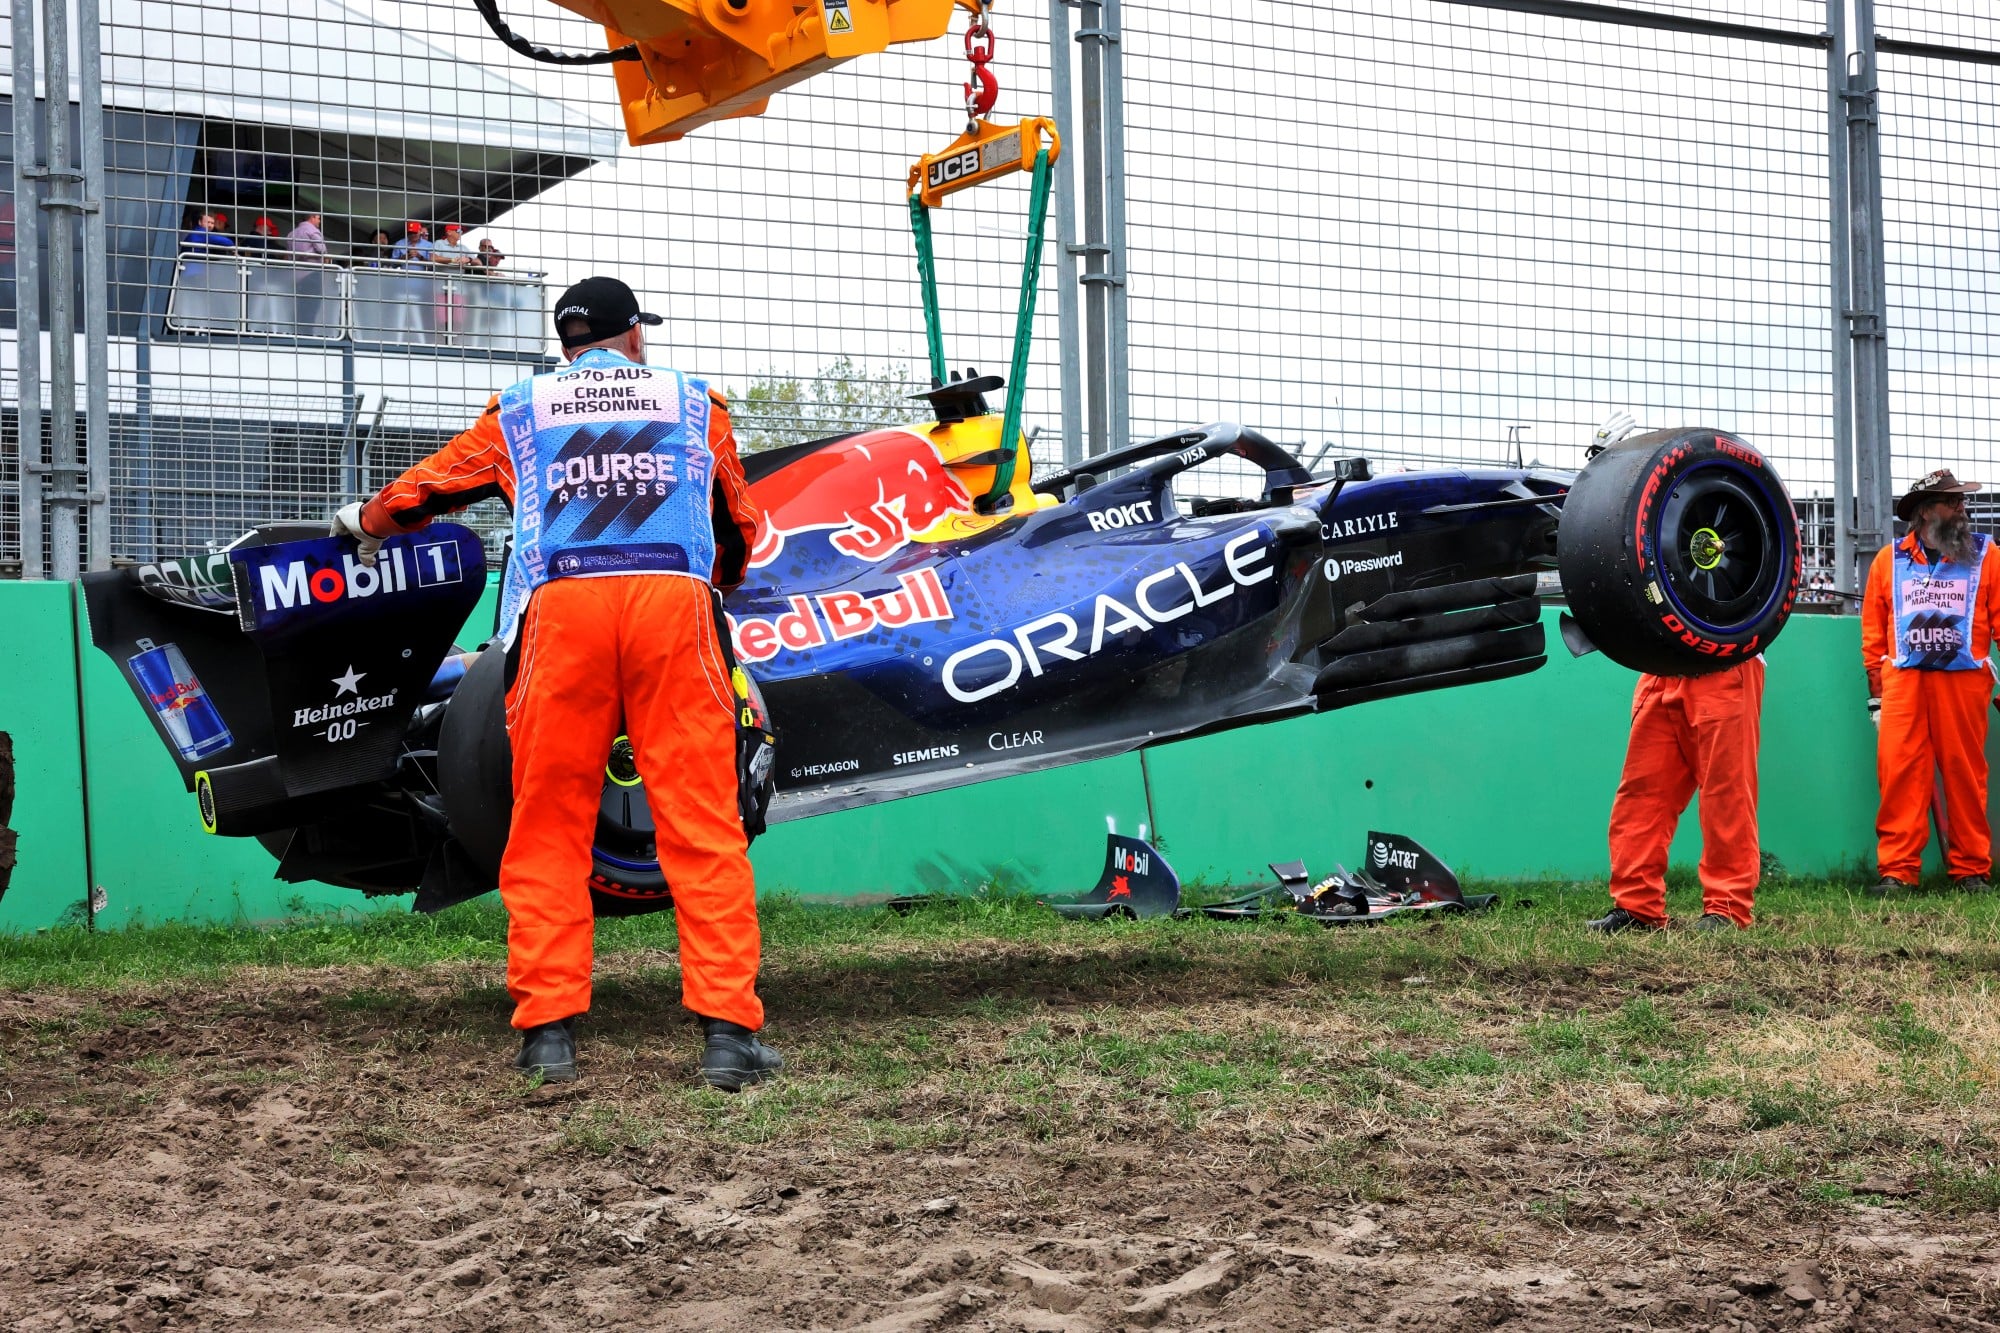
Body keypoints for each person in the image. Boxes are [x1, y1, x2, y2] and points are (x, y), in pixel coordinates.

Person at [327, 277, 780, 1090]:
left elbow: (432, 486)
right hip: (672, 607)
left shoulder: (522, 410)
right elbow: (737, 528)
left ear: (566, 344)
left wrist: (368, 521)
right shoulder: (694, 403)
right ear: (633, 335)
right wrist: (717, 585)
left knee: (548, 822)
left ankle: (548, 1035)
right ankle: (727, 1037)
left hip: (562, 611)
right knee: (702, 820)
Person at [1863, 470, 2000, 896]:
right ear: (1924, 512)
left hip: (1963, 684)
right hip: (1903, 685)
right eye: (1951, 501)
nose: (1962, 508)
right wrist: (1876, 696)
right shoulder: (1887, 560)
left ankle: (1971, 869)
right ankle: (1897, 871)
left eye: (1961, 501)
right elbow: (1873, 632)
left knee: (1965, 775)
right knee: (1899, 775)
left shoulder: (1988, 555)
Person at [1587, 658, 1766, 933]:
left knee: (1726, 795)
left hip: (1727, 662)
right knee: (1642, 795)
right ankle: (1637, 908)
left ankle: (1726, 909)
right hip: (1660, 666)